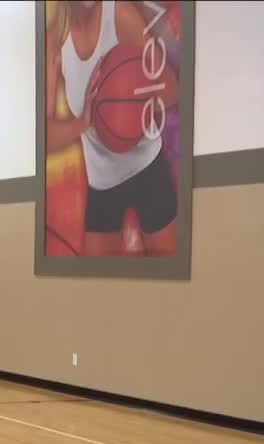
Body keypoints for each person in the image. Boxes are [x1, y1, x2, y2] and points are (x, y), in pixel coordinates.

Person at [45, 0, 180, 256]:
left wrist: (131, 105)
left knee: (169, 269)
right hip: (101, 182)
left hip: (148, 168)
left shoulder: (120, 14)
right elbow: (45, 137)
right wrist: (84, 122)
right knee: (94, 279)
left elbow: (171, 88)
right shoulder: (55, 40)